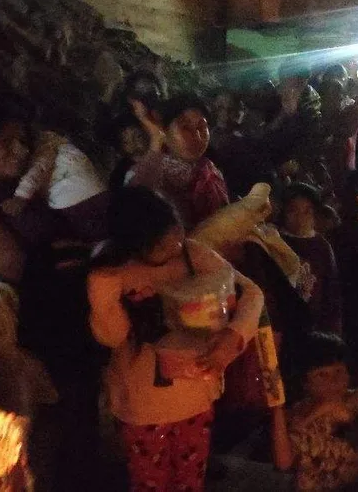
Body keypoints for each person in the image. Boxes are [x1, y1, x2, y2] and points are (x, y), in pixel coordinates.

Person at [87, 187, 263, 492]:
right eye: (162, 244)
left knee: (190, 480)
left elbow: (251, 293)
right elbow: (113, 338)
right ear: (134, 245)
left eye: (178, 233)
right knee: (150, 483)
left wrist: (233, 336)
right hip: (142, 407)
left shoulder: (194, 255)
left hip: (196, 397)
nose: (176, 245)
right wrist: (103, 293)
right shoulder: (113, 275)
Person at [269, 317, 358, 491]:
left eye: (339, 371)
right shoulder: (297, 413)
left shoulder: (353, 401)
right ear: (305, 382)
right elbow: (284, 462)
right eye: (322, 375)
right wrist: (277, 409)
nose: (333, 380)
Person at [127, 93, 229, 229]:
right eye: (185, 128)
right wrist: (156, 139)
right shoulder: (149, 172)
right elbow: (135, 202)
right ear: (165, 132)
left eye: (201, 127)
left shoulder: (210, 170)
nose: (197, 136)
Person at [0, 126, 109, 243]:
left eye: (21, 141)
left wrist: (20, 196)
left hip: (71, 198)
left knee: (93, 236)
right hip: (97, 190)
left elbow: (37, 170)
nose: (18, 148)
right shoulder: (61, 145)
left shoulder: (45, 149)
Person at [279, 183, 342, 335]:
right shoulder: (275, 240)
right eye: (293, 210)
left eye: (307, 211)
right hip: (282, 324)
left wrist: (332, 332)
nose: (300, 218)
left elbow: (331, 290)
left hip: (315, 325)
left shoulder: (322, 246)